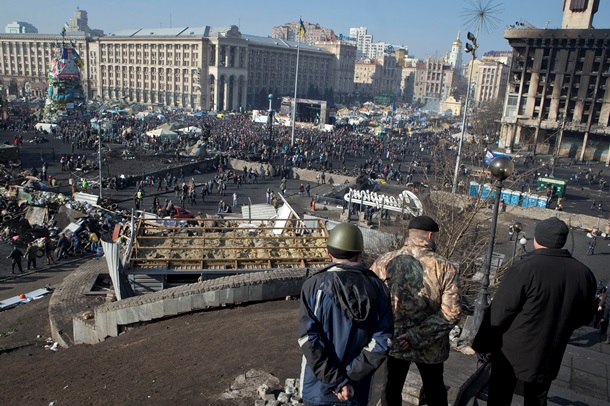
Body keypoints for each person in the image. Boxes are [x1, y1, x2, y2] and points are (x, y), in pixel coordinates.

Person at [473, 217, 597, 406]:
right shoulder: (584, 274)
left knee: (499, 396)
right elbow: (585, 316)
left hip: (512, 353)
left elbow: (499, 312)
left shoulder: (525, 268)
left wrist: (482, 345)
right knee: (537, 398)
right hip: (550, 354)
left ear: (537, 239)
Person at [298, 223, 393, 406]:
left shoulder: (313, 286)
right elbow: (382, 341)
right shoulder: (378, 288)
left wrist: (336, 381)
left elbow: (308, 339)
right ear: (359, 255)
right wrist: (350, 378)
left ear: (328, 253)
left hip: (318, 389)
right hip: (356, 390)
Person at [371, 215, 461, 406]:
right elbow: (451, 313)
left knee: (391, 389)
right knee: (434, 391)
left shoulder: (384, 262)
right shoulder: (445, 267)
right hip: (431, 347)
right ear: (430, 235)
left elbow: (370, 303)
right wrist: (415, 336)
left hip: (394, 341)